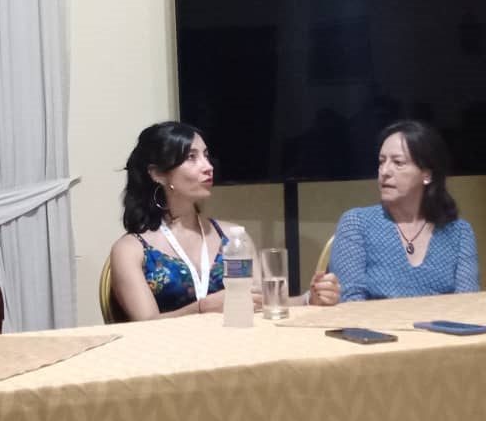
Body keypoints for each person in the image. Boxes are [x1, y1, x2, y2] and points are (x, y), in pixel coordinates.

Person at [110, 122, 340, 320]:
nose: (208, 167)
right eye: (191, 157)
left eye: (206, 155)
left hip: (237, 348)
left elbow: (261, 303)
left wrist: (310, 299)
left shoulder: (233, 237)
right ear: (157, 174)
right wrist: (201, 308)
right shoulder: (131, 249)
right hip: (170, 355)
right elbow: (145, 324)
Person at [329, 120, 480, 300]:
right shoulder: (357, 224)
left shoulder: (459, 233)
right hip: (372, 320)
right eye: (381, 162)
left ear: (427, 174)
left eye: (398, 162)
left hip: (442, 319)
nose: (385, 171)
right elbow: (349, 301)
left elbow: (467, 303)